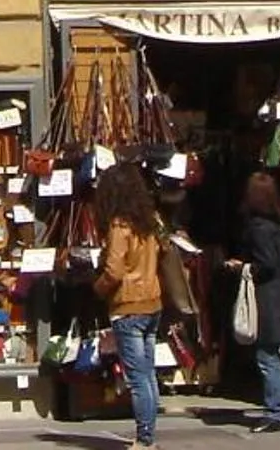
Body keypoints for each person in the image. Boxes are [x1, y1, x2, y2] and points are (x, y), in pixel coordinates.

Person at [95, 163, 167, 448]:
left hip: (128, 305)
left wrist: (97, 288)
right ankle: (148, 432)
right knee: (147, 373)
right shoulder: (149, 220)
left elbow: (114, 270)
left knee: (136, 378)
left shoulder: (119, 225)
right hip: (152, 300)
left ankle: (144, 438)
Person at [232, 171, 280, 435]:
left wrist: (243, 266)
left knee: (267, 357)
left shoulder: (258, 228)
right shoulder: (278, 226)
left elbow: (266, 264)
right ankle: (279, 407)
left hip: (269, 298)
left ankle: (276, 411)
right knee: (273, 355)